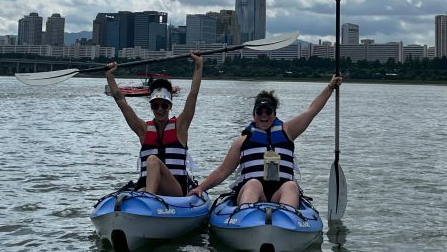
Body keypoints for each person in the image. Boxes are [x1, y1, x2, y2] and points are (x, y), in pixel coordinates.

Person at [189, 74, 342, 206]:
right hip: (253, 192)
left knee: (291, 186)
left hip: (280, 194)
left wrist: (330, 87)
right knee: (254, 183)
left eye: (268, 111)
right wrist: (201, 188)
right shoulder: (242, 141)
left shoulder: (287, 131)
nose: (264, 115)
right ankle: (247, 217)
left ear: (274, 114)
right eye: (259, 111)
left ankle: (286, 219)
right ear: (253, 114)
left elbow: (312, 110)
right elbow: (223, 171)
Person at [105, 52, 203, 196]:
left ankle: (147, 201)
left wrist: (199, 64)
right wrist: (110, 76)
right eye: (155, 105)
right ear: (151, 106)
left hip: (174, 190)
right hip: (148, 187)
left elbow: (193, 94)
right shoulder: (143, 130)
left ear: (170, 106)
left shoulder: (180, 127)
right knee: (138, 190)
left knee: (152, 160)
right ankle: (146, 199)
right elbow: (121, 101)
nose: (160, 109)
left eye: (164, 105)